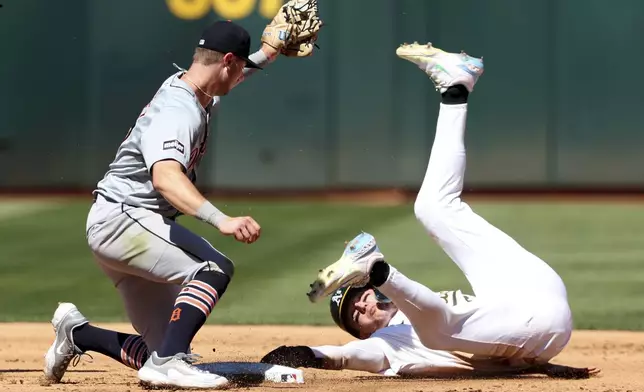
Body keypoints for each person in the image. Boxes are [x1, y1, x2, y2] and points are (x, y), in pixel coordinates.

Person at [261, 41, 598, 379]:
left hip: (531, 292)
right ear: (363, 333)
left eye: (359, 295)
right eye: (354, 315)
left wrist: (535, 359)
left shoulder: (419, 310)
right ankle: (378, 269)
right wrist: (297, 355)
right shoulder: (388, 342)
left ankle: (455, 89)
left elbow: (491, 333)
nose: (361, 305)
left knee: (433, 208)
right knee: (435, 333)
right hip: (536, 330)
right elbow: (343, 357)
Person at [43, 5, 321, 389]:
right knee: (213, 269)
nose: (241, 74)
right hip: (125, 220)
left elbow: (233, 77)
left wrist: (268, 53)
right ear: (226, 61)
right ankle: (169, 363)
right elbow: (166, 179)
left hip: (128, 223)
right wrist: (222, 220)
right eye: (238, 66)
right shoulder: (180, 110)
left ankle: (77, 334)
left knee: (158, 347)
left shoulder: (193, 89)